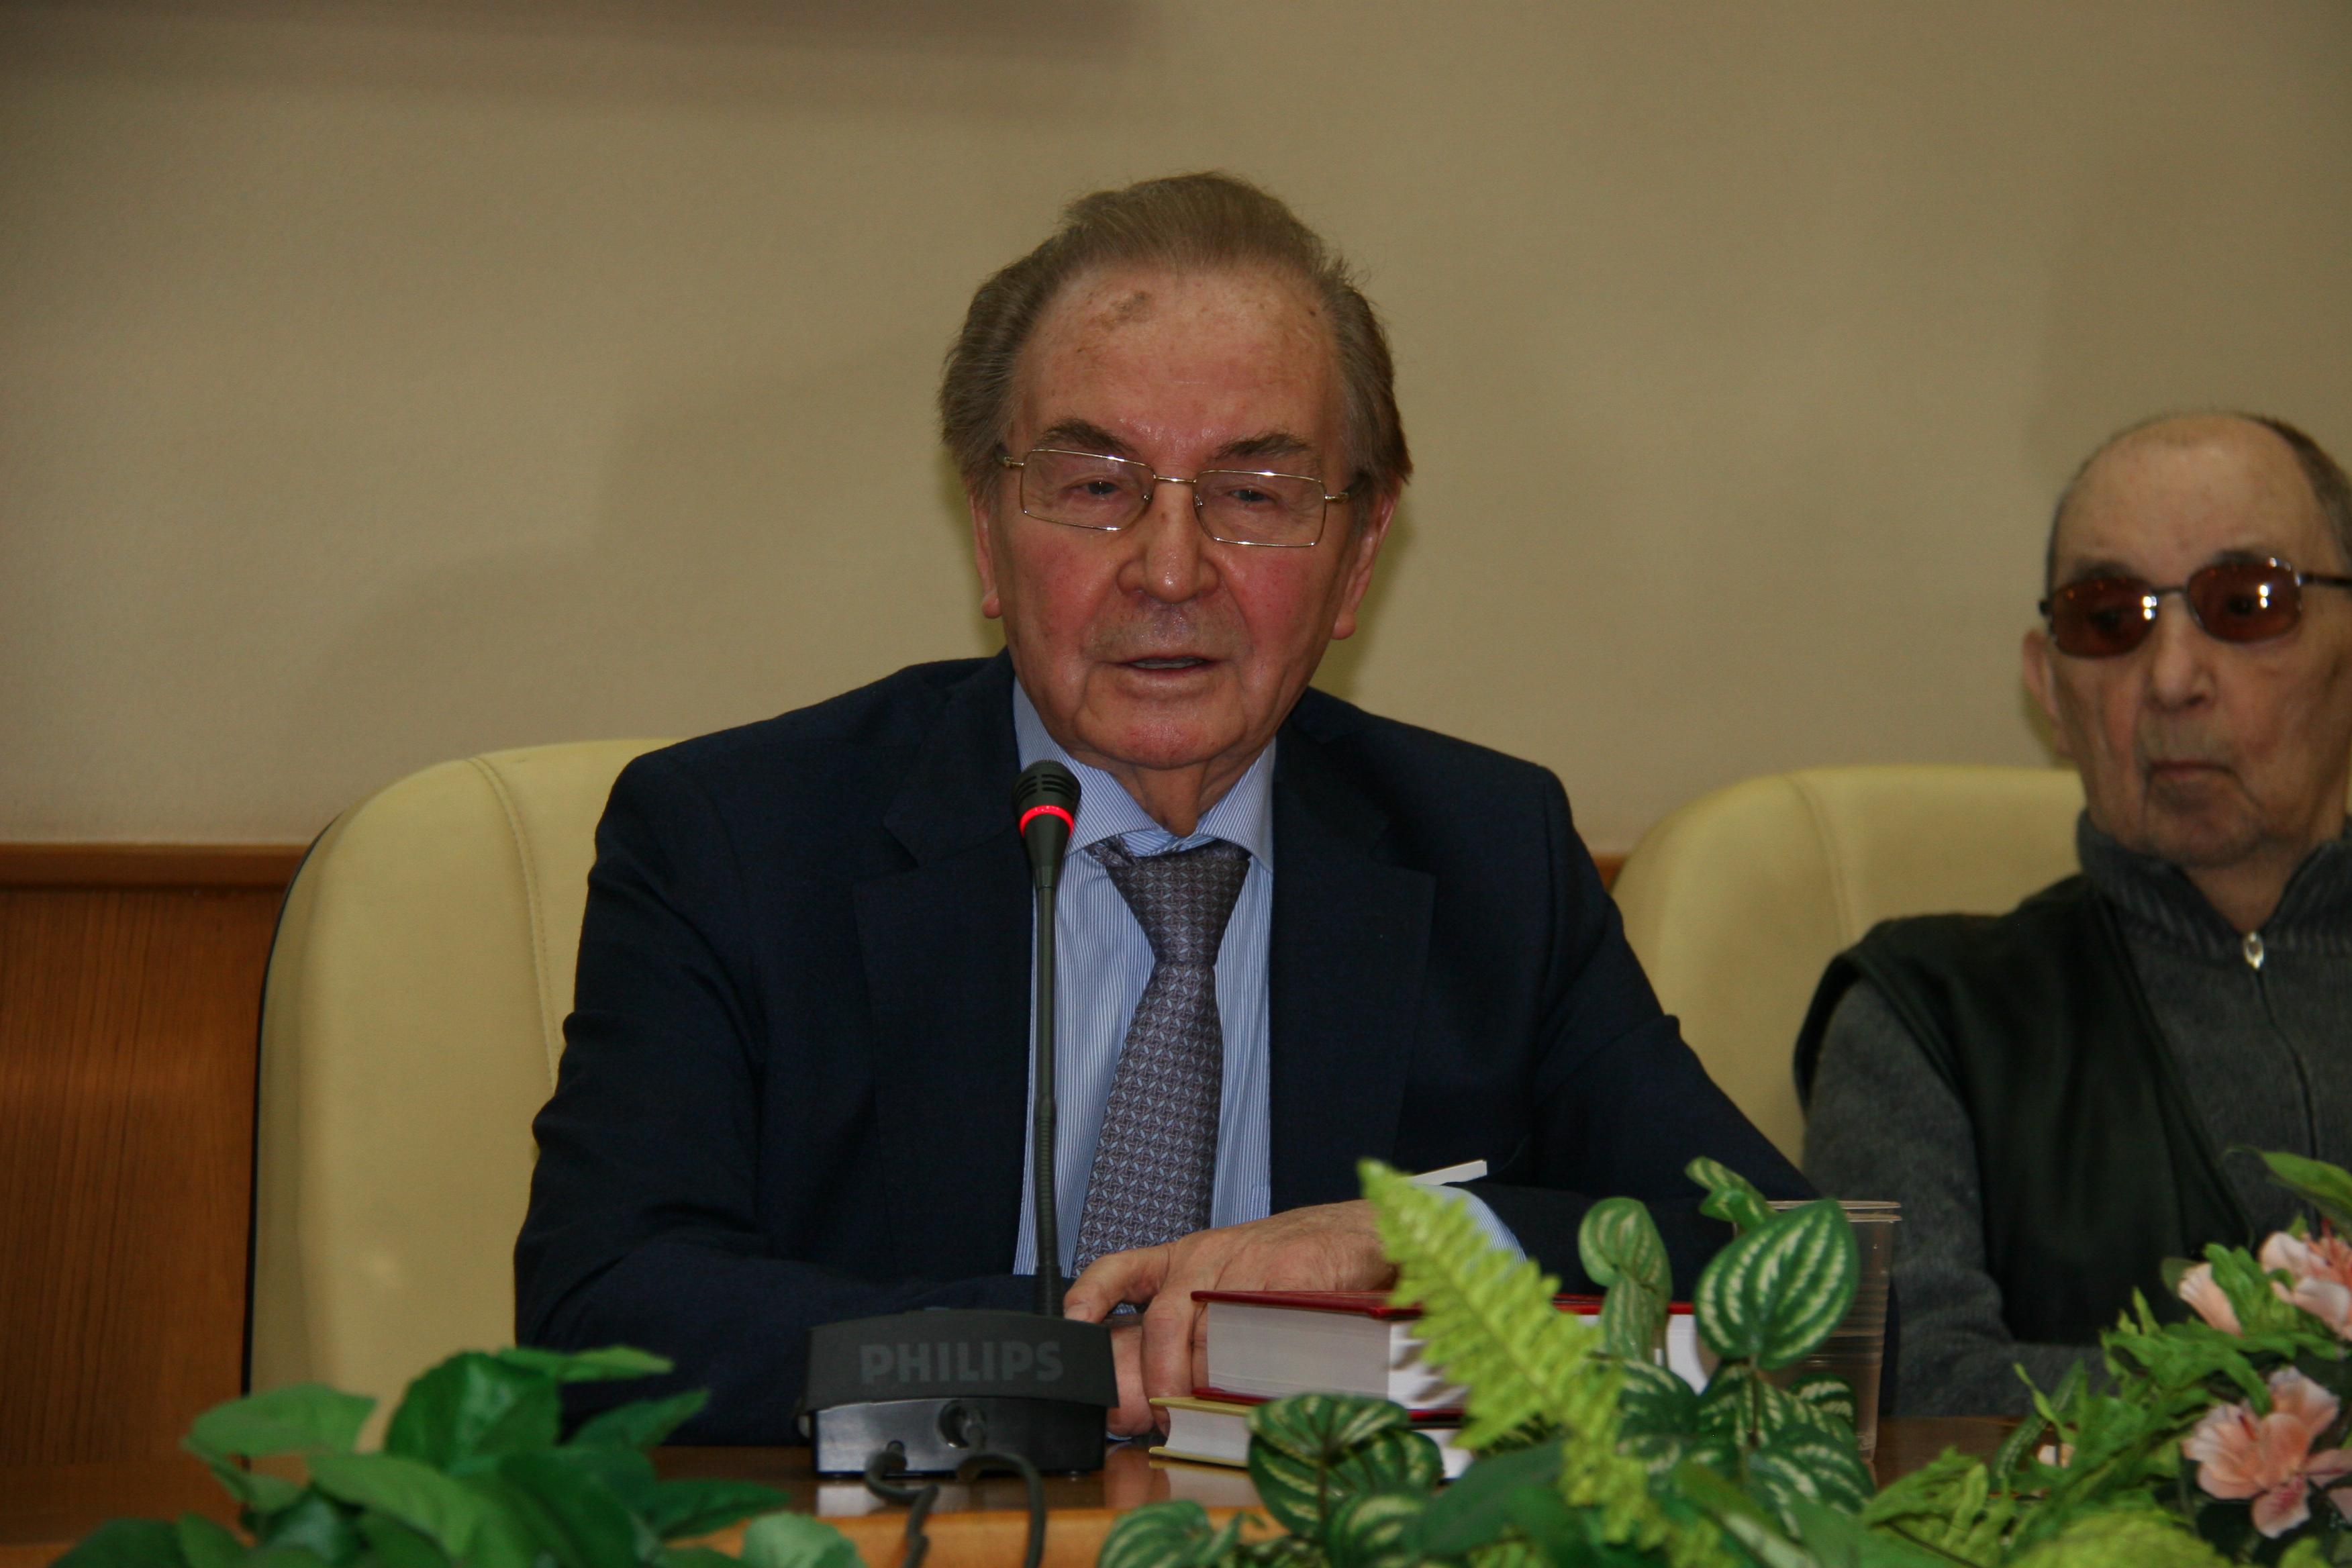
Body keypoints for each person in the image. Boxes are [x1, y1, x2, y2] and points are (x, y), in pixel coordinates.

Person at [516, 172, 1803, 1443]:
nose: (1171, 570)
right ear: (988, 533)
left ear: (1358, 557)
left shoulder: (1490, 857)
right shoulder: (735, 841)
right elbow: (599, 1317)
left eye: (1253, 496)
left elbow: (1785, 1257)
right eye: (1095, 487)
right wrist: (1078, 1362)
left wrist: (1418, 1241)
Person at [1798, 412, 2352, 1416]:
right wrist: (2293, 1420)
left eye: (2245, 604)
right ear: (2049, 690)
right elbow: (1899, 1387)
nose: (2172, 679)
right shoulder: (1928, 1018)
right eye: (2108, 618)